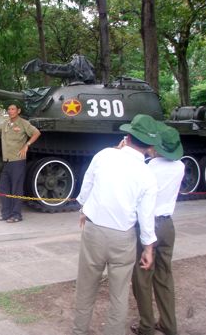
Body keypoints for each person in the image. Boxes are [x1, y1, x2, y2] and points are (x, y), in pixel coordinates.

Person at [72, 114, 160, 335]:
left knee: (85, 287)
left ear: (127, 137)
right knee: (119, 294)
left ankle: (79, 331)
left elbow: (87, 185)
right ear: (150, 146)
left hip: (94, 231)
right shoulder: (148, 175)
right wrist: (148, 248)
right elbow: (146, 216)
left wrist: (83, 208)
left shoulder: (105, 155)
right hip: (123, 237)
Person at [130, 122, 185, 335]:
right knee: (164, 275)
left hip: (148, 225)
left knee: (142, 278)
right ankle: (169, 325)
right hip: (168, 226)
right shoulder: (180, 166)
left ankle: (146, 326)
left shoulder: (148, 167)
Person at [0, 104, 41, 223]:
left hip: (17, 161)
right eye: (9, 109)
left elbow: (36, 132)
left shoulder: (23, 123)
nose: (11, 111)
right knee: (3, 188)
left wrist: (26, 145)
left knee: (16, 189)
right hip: (6, 162)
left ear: (18, 111)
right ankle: (5, 213)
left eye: (13, 109)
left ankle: (16, 215)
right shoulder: (6, 123)